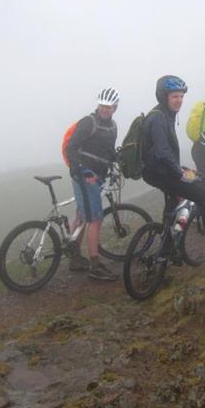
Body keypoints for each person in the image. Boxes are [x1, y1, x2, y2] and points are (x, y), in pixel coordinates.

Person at [141, 75, 205, 266]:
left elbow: (162, 152)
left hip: (156, 171)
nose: (179, 100)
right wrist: (180, 172)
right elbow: (162, 152)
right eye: (174, 96)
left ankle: (168, 250)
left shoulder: (163, 114)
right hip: (162, 173)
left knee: (173, 205)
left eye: (181, 96)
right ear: (164, 97)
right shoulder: (159, 118)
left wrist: (178, 168)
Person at [64, 88, 121, 281]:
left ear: (115, 107)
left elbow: (108, 150)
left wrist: (118, 159)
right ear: (98, 105)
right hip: (84, 175)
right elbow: (71, 148)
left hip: (98, 175)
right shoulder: (89, 122)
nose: (105, 110)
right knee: (95, 219)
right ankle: (95, 266)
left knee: (82, 213)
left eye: (109, 107)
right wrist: (83, 170)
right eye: (102, 106)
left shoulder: (112, 126)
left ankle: (75, 258)